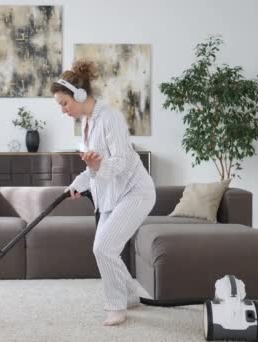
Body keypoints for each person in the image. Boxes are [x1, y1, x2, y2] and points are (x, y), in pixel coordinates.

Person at [50, 60, 156, 326]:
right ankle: (131, 295)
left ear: (80, 95)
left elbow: (120, 162)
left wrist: (98, 165)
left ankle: (116, 307)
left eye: (64, 103)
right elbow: (94, 169)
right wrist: (78, 183)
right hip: (112, 197)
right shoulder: (86, 125)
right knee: (105, 249)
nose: (63, 110)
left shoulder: (110, 118)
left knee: (103, 247)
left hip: (135, 191)